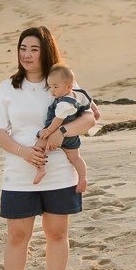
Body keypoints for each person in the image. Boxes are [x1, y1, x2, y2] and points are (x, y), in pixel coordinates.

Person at [0, 26, 95, 270]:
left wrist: (62, 133)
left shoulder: (62, 81)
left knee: (57, 233)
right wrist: (23, 152)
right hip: (19, 174)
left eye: (34, 49)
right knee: (17, 236)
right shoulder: (8, 87)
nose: (27, 54)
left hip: (59, 171)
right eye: (23, 48)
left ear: (46, 51)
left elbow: (91, 117)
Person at [38, 63, 96, 194]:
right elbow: (89, 102)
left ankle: (40, 170)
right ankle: (83, 177)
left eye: (55, 87)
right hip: (72, 136)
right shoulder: (78, 94)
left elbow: (57, 120)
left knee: (39, 148)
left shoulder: (64, 103)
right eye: (50, 87)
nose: (52, 90)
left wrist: (48, 131)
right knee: (75, 158)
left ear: (69, 86)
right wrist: (96, 112)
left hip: (56, 131)